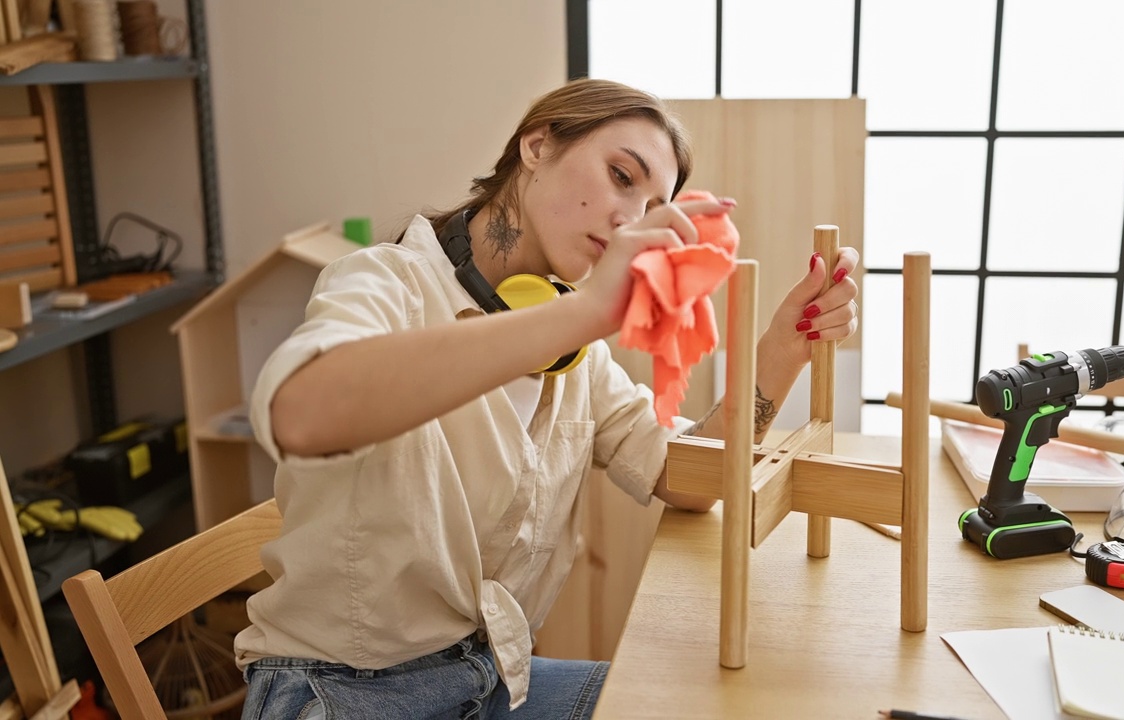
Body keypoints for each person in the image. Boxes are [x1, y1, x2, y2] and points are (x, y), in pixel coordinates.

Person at [236, 78, 860, 720]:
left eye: (650, 211)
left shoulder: (575, 347)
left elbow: (686, 478)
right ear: (536, 145)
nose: (628, 221)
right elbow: (301, 410)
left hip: (489, 681)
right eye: (621, 176)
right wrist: (588, 311)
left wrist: (783, 349)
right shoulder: (384, 279)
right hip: (339, 691)